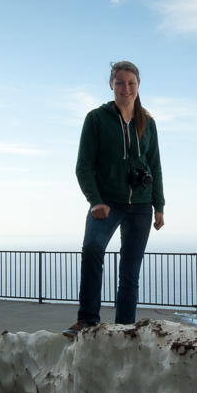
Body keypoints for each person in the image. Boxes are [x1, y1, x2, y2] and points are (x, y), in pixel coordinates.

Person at [64, 60, 165, 337]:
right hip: (106, 203)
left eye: (131, 83)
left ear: (138, 85)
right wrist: (94, 200)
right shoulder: (96, 119)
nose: (126, 88)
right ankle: (87, 320)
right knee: (93, 249)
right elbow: (83, 165)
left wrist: (160, 206)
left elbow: (154, 165)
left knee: (130, 272)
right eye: (120, 82)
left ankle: (124, 329)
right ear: (111, 84)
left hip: (142, 205)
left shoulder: (148, 122)